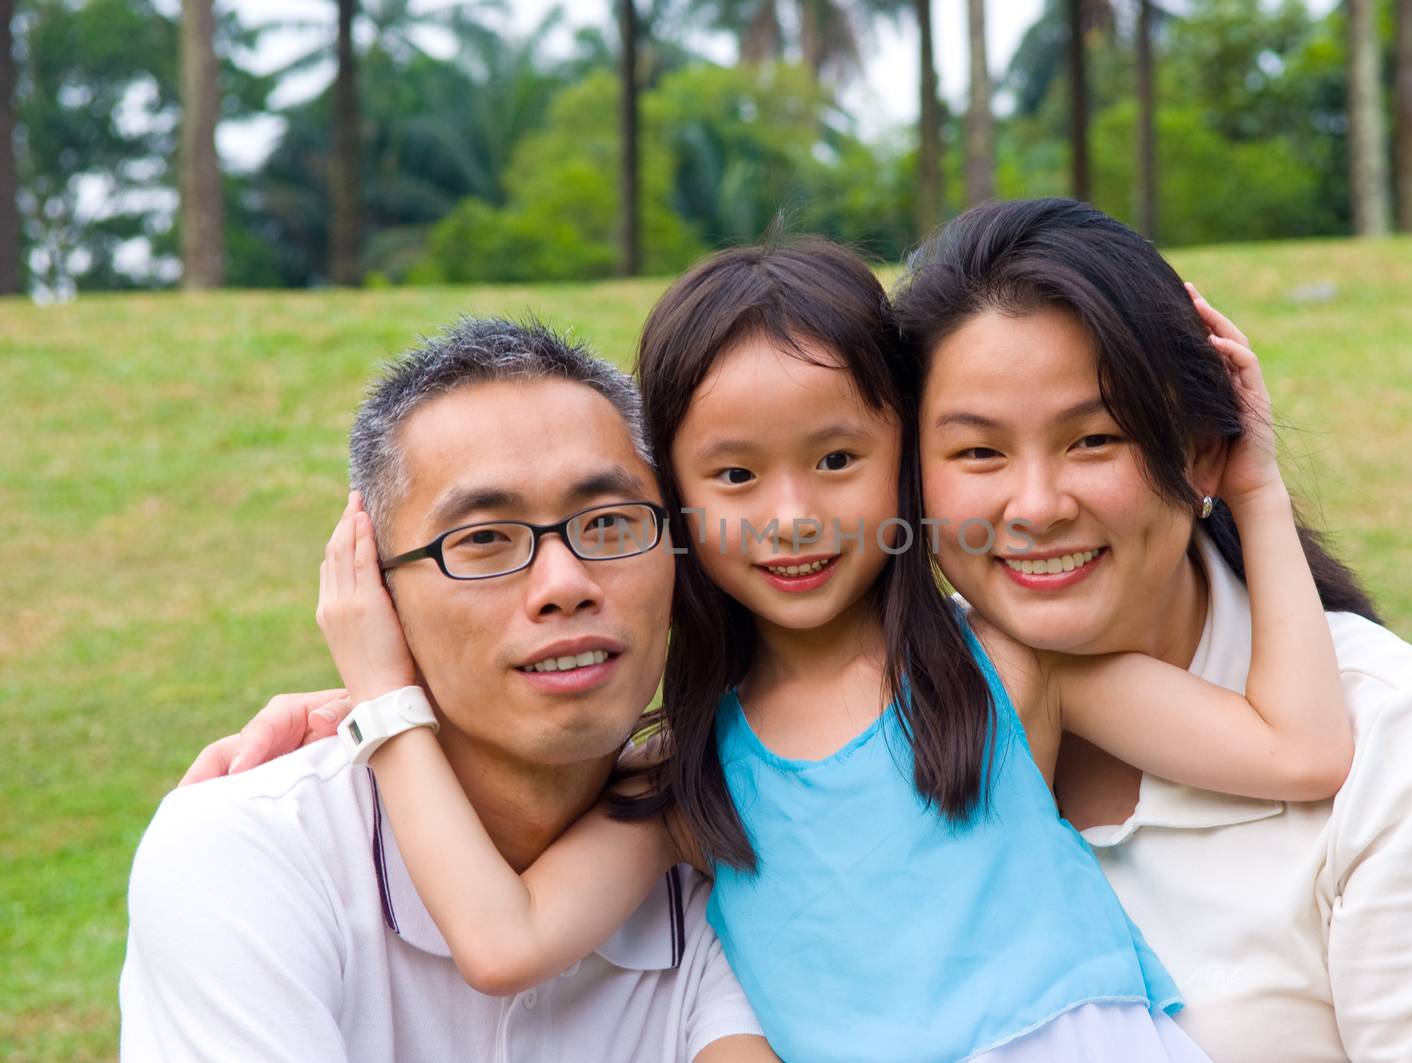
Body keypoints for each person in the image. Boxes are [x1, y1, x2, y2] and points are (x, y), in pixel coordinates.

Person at [304, 238, 1353, 1063]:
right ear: (667, 496)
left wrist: (1252, 491)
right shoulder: (694, 770)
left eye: (837, 458)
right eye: (733, 477)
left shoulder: (1008, 664)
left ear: (907, 452)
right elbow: (504, 941)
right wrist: (382, 696)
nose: (793, 516)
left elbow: (1300, 751)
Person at [893, 196, 1412, 1061]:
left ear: (1199, 452)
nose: (1036, 506)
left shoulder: (1410, 745)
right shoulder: (868, 726)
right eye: (978, 453)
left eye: (1095, 440)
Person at [118, 318, 775, 1062]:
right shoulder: (252, 853)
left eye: (609, 522)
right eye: (484, 540)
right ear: (374, 589)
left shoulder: (729, 844)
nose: (565, 585)